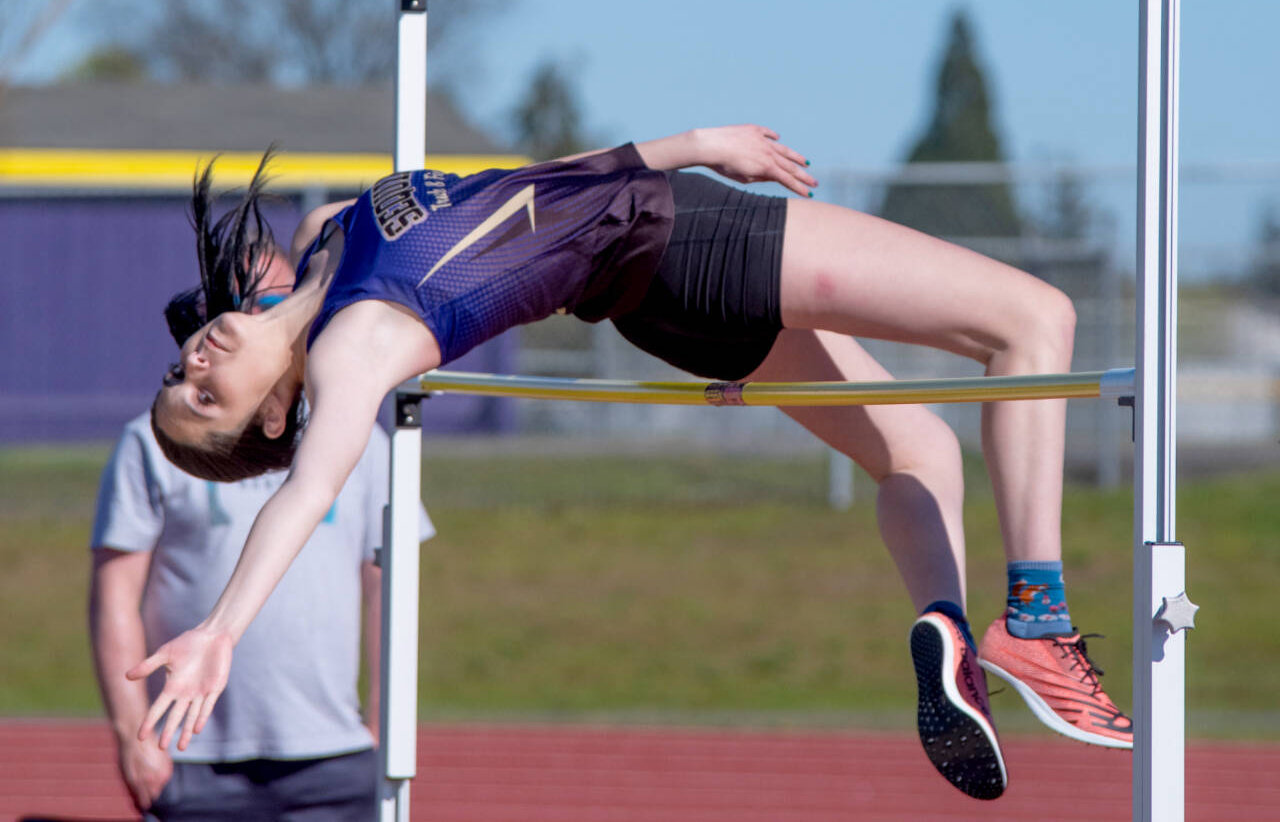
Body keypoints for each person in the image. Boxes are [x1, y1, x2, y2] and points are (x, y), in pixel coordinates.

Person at [138, 123, 1131, 802]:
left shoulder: (322, 243)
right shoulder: (355, 349)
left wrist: (684, 145)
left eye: (178, 370)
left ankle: (945, 627)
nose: (194, 362)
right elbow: (310, 488)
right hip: (692, 242)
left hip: (657, 297)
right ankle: (1036, 618)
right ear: (277, 413)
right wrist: (221, 628)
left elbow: (519, 191)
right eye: (204, 398)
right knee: (1032, 319)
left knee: (914, 443)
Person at [90, 243, 434, 819]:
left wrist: (383, 720)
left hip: (332, 746)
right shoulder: (156, 440)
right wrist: (134, 734)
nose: (263, 317)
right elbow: (115, 597)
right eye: (244, 303)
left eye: (278, 299)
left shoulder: (359, 436)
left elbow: (387, 585)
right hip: (194, 751)